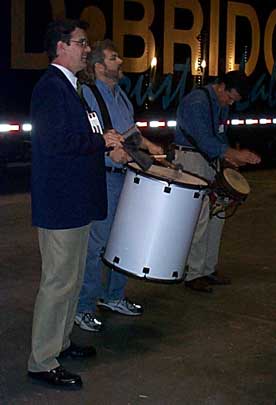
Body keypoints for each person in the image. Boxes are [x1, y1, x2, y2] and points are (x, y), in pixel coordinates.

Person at [28, 20, 123, 388]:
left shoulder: (72, 88)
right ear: (61, 47)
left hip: (76, 203)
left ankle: (61, 342)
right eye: (82, 43)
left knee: (71, 280)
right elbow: (58, 142)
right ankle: (42, 360)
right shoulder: (51, 88)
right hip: (61, 204)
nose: (87, 49)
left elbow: (78, 134)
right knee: (57, 283)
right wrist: (99, 142)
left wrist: (102, 136)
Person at [75, 39, 163, 332]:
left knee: (121, 240)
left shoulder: (120, 95)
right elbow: (97, 140)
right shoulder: (88, 94)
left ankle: (112, 295)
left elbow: (130, 133)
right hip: (103, 178)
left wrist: (151, 148)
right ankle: (84, 307)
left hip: (124, 177)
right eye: (114, 59)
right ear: (99, 66)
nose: (120, 62)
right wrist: (123, 153)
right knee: (96, 246)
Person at [174, 71, 261, 293]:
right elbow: (205, 141)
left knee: (217, 214)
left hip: (209, 160)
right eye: (230, 97)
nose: (230, 103)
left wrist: (229, 158)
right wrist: (234, 155)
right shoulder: (197, 102)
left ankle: (207, 269)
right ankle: (194, 274)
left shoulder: (220, 102)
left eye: (234, 101)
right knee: (201, 217)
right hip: (192, 158)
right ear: (220, 86)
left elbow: (220, 136)